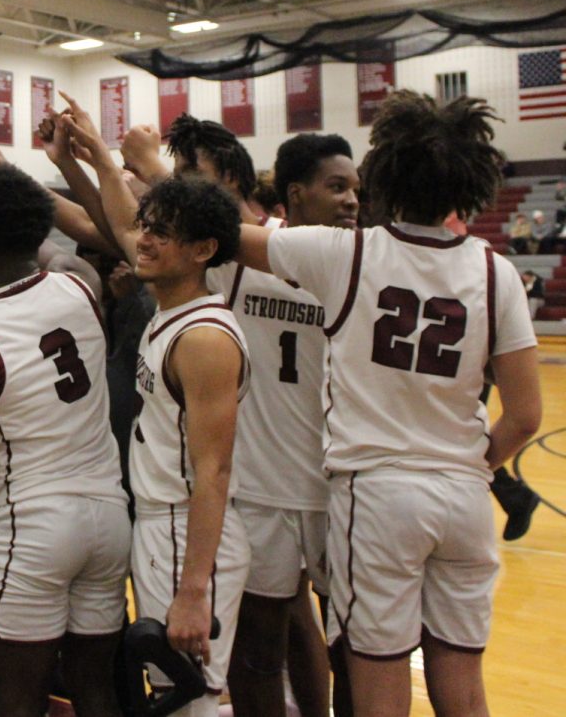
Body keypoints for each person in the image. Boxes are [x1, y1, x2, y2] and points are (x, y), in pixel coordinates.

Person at [233, 91, 541, 717]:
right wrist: (472, 465)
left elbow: (227, 238)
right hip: (462, 497)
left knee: (379, 681)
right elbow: (526, 414)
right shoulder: (495, 271)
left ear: (386, 174)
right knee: (463, 685)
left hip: (377, 497)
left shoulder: (347, 253)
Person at [65, 100, 251, 717]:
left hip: (184, 535)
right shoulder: (172, 302)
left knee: (194, 702)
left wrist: (195, 589)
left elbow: (215, 469)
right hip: (159, 524)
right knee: (174, 698)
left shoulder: (203, 338)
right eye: (149, 226)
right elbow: (122, 222)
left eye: (161, 233)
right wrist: (93, 152)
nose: (142, 240)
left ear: (201, 249)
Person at [0, 164, 131, 717]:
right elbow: (51, 253)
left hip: (34, 525)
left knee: (17, 698)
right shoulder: (82, 284)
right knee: (96, 690)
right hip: (108, 519)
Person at [215, 133, 359, 717]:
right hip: (262, 487)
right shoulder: (243, 263)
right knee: (259, 648)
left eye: (356, 188)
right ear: (296, 194)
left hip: (342, 485)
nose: (352, 199)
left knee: (351, 647)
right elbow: (125, 227)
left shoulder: (363, 262)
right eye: (338, 186)